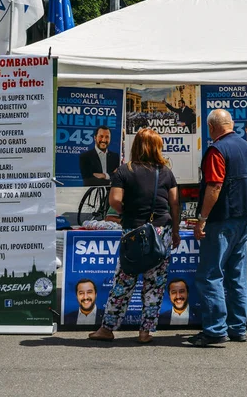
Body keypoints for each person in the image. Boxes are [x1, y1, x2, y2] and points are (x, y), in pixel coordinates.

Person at [88, 128, 181, 344]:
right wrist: (175, 231)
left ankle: (108, 328)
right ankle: (145, 332)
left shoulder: (123, 171)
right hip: (161, 232)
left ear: (136, 147)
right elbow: (174, 203)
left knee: (123, 281)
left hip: (133, 232)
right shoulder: (166, 172)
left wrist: (127, 214)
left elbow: (114, 201)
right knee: (155, 284)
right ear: (156, 147)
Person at [188, 109, 247, 347]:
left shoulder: (216, 150)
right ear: (232, 124)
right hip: (243, 219)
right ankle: (237, 328)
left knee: (210, 275)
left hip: (221, 220)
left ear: (211, 128)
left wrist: (202, 219)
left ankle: (215, 330)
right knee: (237, 275)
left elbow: (214, 187)